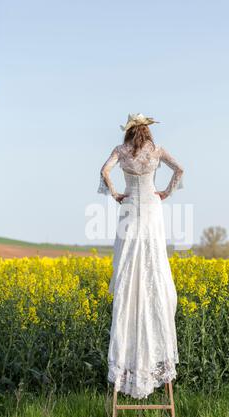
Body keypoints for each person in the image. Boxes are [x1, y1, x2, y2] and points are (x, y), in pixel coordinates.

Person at [97, 113, 184, 399]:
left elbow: (105, 171)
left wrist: (114, 194)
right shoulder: (156, 152)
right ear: (147, 132)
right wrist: (166, 193)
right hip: (151, 209)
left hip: (129, 207)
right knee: (154, 265)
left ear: (129, 133)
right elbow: (180, 169)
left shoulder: (120, 152)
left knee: (129, 269)